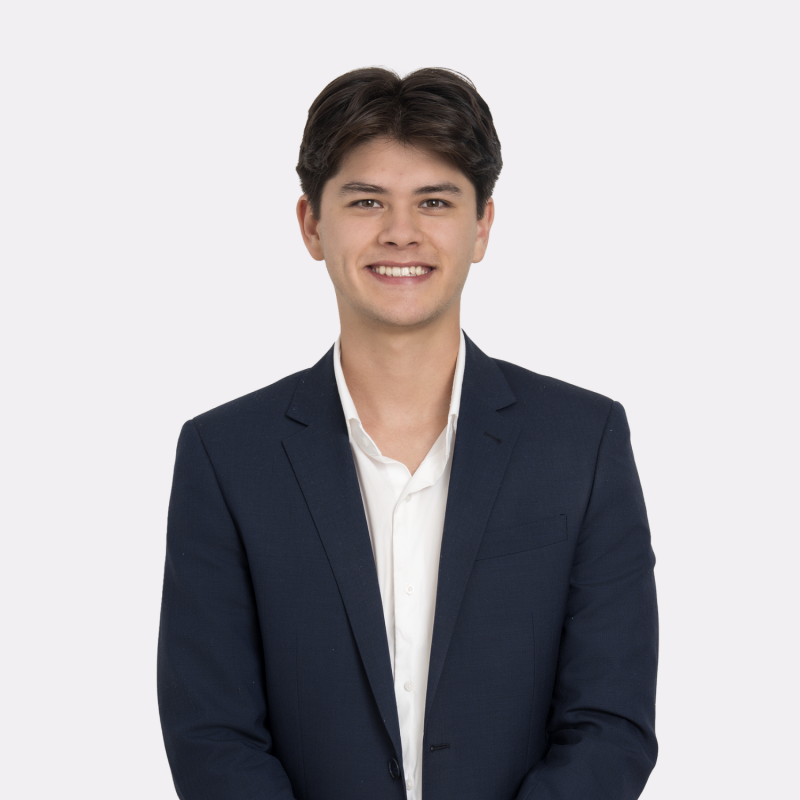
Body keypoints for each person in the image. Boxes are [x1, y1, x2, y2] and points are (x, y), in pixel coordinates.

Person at [157, 67, 659, 800]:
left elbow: (610, 724)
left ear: (482, 226)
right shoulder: (226, 456)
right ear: (311, 225)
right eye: (366, 201)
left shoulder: (582, 443)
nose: (400, 232)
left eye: (435, 201)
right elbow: (212, 734)